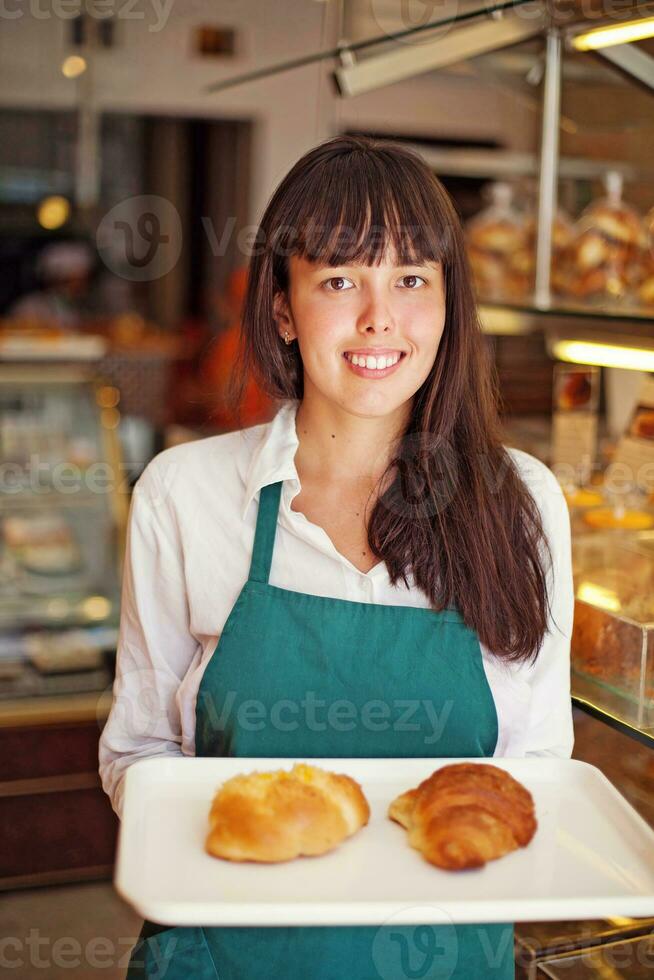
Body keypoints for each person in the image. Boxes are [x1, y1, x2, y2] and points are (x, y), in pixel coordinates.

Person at [99, 134, 574, 979]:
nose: (378, 318)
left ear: (448, 304)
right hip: (222, 957)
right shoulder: (184, 495)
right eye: (340, 279)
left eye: (411, 280)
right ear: (282, 307)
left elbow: (536, 766)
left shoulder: (521, 501)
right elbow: (138, 753)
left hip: (447, 955)